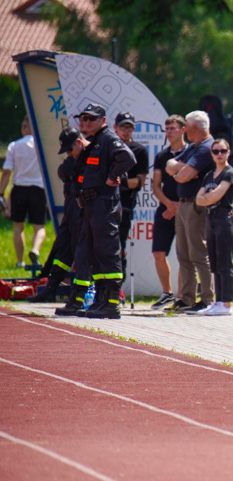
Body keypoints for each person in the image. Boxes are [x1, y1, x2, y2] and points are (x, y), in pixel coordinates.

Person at [73, 103, 136, 319]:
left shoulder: (108, 138)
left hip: (104, 204)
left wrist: (113, 175)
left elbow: (127, 158)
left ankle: (111, 303)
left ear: (103, 121)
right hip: (92, 205)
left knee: (108, 251)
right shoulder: (94, 142)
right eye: (84, 118)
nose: (86, 122)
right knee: (95, 253)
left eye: (91, 118)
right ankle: (101, 300)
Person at [27, 128, 89, 304]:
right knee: (62, 247)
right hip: (71, 205)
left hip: (81, 206)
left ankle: (80, 296)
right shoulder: (73, 158)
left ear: (79, 142)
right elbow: (63, 171)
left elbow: (73, 173)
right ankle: (51, 289)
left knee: (80, 252)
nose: (69, 154)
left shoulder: (90, 153)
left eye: (70, 150)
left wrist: (72, 174)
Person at [165, 110, 215, 313]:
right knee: (183, 254)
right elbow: (169, 165)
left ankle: (207, 299)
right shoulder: (194, 147)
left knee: (198, 253)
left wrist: (179, 172)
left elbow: (183, 176)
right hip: (183, 204)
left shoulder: (206, 148)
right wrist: (180, 170)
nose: (185, 130)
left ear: (194, 128)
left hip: (197, 205)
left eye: (187, 126)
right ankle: (186, 298)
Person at [194, 138, 233, 316]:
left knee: (225, 263)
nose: (219, 154)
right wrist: (208, 198)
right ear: (211, 154)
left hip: (224, 220)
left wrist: (208, 197)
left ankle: (226, 304)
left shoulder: (229, 173)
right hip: (210, 220)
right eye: (215, 151)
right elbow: (198, 199)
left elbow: (217, 196)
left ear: (228, 152)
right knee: (214, 262)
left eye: (223, 151)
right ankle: (217, 300)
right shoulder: (208, 175)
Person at [150, 114, 188, 310]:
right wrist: (168, 205)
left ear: (183, 130)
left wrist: (179, 207)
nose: (169, 132)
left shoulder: (191, 153)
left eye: (173, 128)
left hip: (186, 209)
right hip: (165, 209)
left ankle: (182, 297)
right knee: (158, 253)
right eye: (167, 129)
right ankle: (167, 293)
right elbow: (156, 185)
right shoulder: (161, 156)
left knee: (184, 254)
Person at [1, 116, 46, 268]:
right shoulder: (42, 145)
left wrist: (1, 192)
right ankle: (35, 250)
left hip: (19, 189)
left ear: (24, 128)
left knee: (18, 227)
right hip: (38, 189)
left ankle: (20, 262)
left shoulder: (14, 146)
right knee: (39, 226)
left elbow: (7, 171)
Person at [114, 111, 149, 283]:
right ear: (115, 127)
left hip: (125, 205)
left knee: (120, 246)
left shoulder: (139, 150)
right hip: (104, 204)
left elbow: (140, 181)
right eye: (123, 127)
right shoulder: (109, 147)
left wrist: (119, 182)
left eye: (130, 127)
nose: (126, 131)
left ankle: (118, 286)